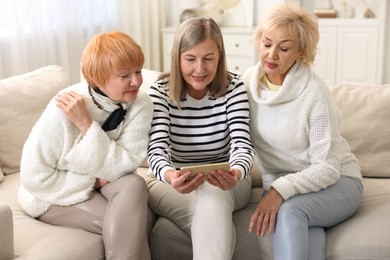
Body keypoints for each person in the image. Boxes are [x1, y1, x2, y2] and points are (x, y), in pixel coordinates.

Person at [242, 3, 363, 260]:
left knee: (292, 212)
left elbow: (328, 168)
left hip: (338, 181)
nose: (271, 55)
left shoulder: (314, 93)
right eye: (266, 43)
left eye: (284, 48)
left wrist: (278, 191)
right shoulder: (246, 85)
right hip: (286, 187)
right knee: (308, 233)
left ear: (301, 53)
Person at [18, 31, 153, 260]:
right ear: (98, 78)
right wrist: (93, 182)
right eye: (125, 75)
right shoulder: (64, 107)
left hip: (103, 180)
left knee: (135, 184)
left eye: (138, 71)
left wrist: (87, 125)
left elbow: (128, 163)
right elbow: (34, 177)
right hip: (49, 195)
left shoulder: (140, 103)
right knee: (130, 227)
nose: (137, 81)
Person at [146, 17, 255, 260]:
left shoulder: (234, 88)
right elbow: (156, 150)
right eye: (190, 59)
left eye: (208, 59)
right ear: (177, 58)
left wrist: (236, 172)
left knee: (214, 194)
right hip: (170, 181)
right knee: (215, 218)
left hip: (230, 181)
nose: (199, 69)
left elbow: (242, 144)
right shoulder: (160, 91)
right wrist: (169, 175)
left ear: (220, 57)